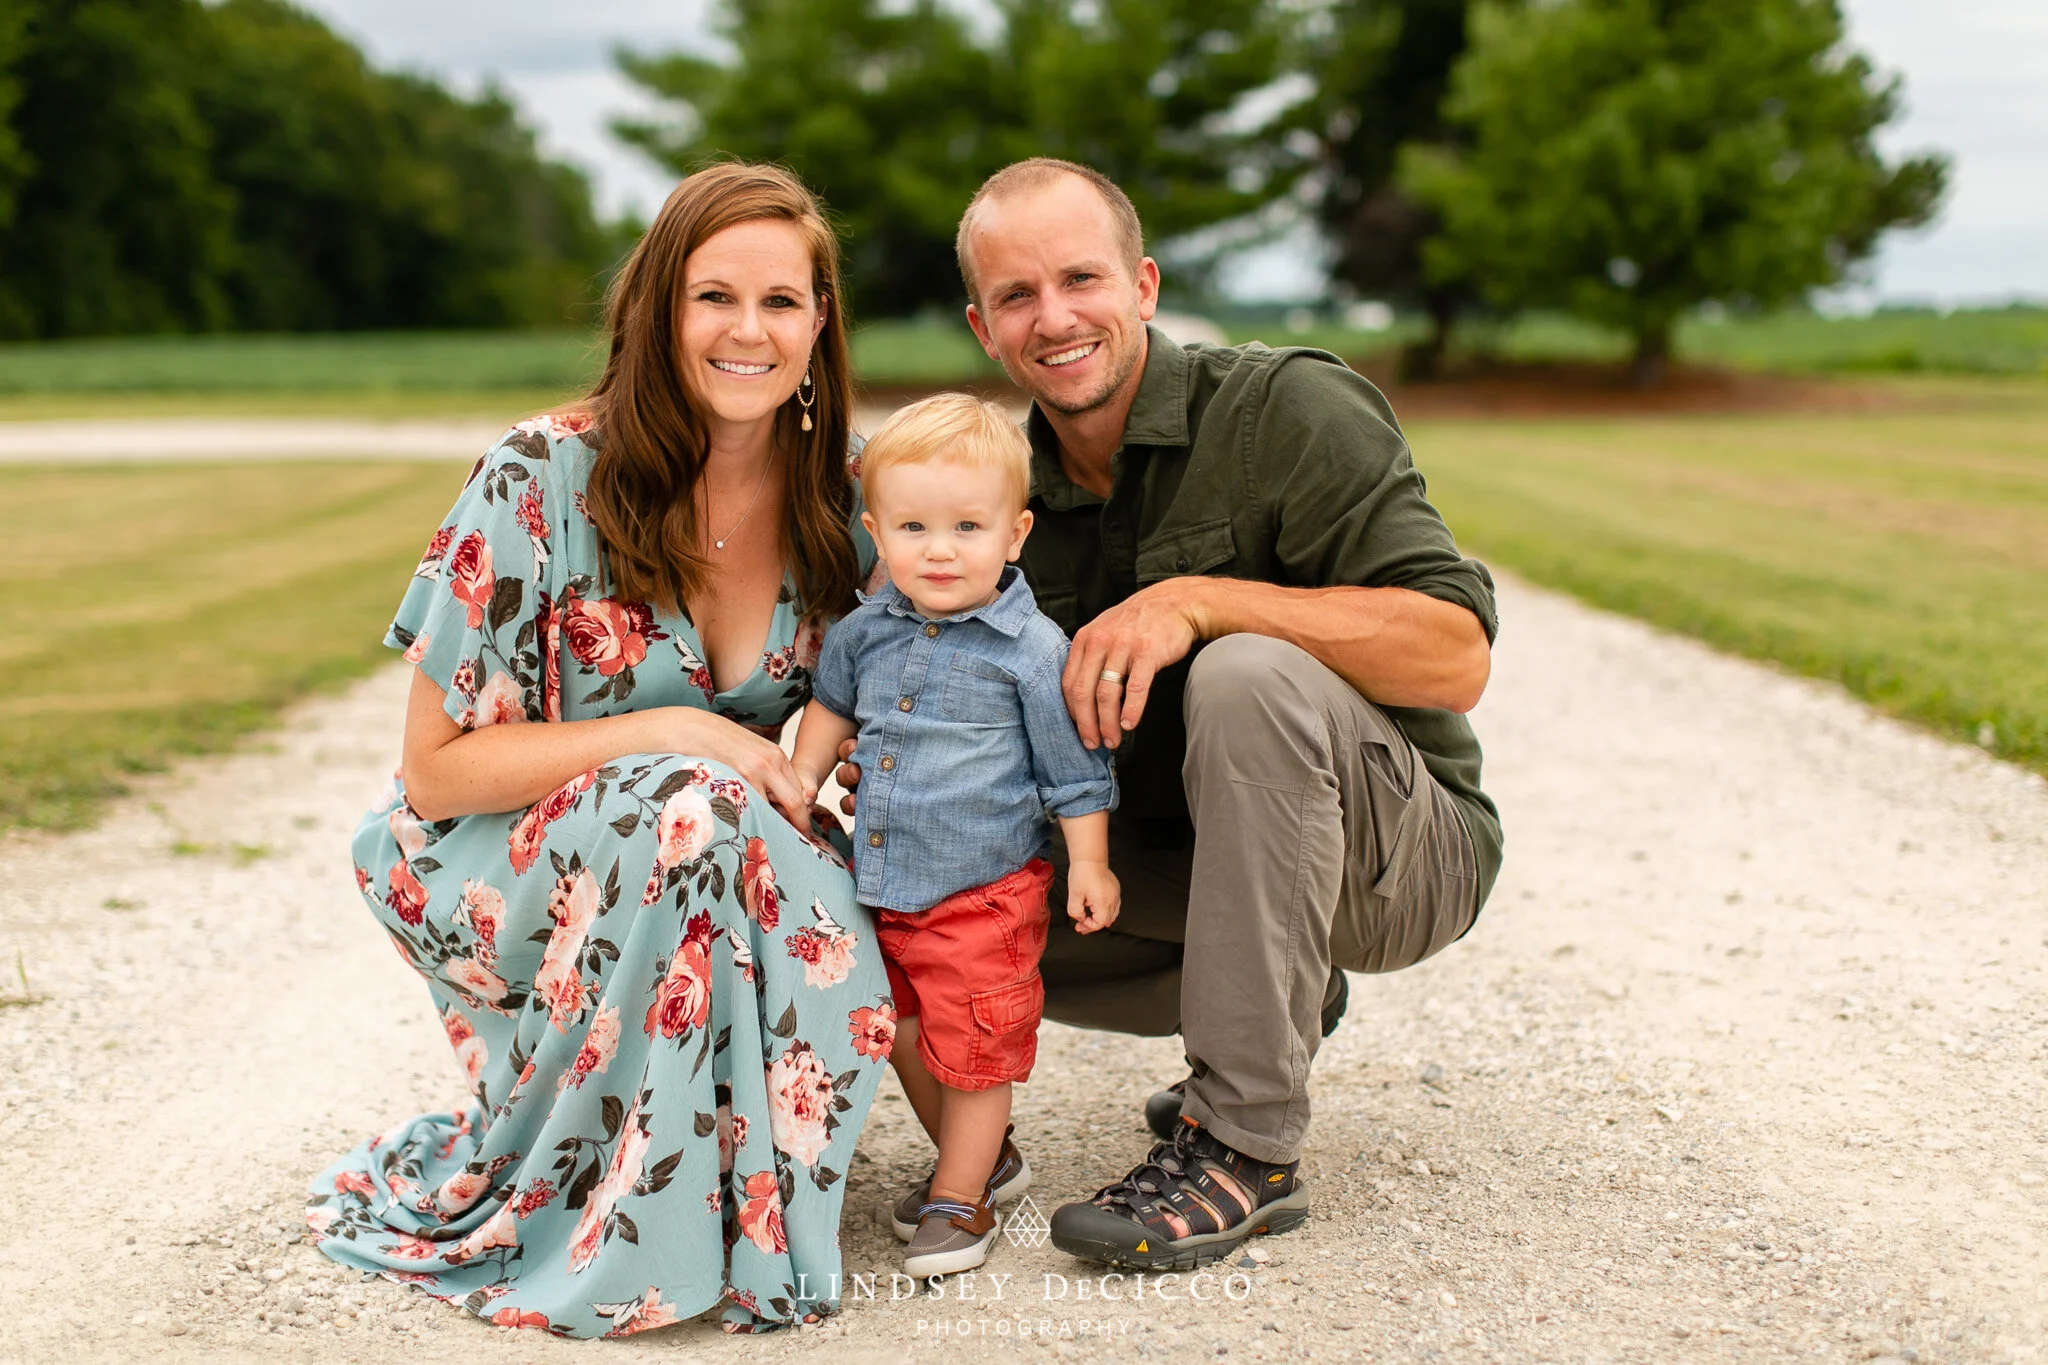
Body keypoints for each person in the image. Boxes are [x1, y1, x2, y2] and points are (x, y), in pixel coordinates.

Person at [307, 163, 897, 1338]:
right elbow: (436, 773)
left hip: (690, 849)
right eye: (711, 296)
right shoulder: (538, 475)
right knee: (693, 797)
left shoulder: (847, 493)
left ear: (819, 322)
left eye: (782, 301)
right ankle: (632, 1231)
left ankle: (756, 1194)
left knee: (771, 843)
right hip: (487, 863)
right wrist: (680, 730)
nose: (748, 330)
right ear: (656, 311)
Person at [930, 157, 1504, 1270]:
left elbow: (1455, 656)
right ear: (981, 328)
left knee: (1247, 671)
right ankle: (1269, 1009)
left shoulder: (1283, 409)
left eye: (1080, 279)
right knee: (920, 866)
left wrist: (1198, 601)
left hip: (1398, 858)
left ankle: (1244, 1143)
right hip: (1186, 873)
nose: (1054, 318)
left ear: (1141, 286)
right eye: (1015, 297)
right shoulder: (993, 505)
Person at [791, 393, 1120, 1278]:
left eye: (967, 526)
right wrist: (799, 783)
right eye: (914, 527)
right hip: (883, 884)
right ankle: (981, 1159)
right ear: (877, 531)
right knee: (898, 1023)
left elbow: (1074, 771)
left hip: (984, 892)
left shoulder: (1030, 650)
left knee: (974, 1048)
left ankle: (959, 1194)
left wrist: (1088, 860)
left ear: (1014, 534)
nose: (940, 549)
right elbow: (829, 709)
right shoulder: (865, 632)